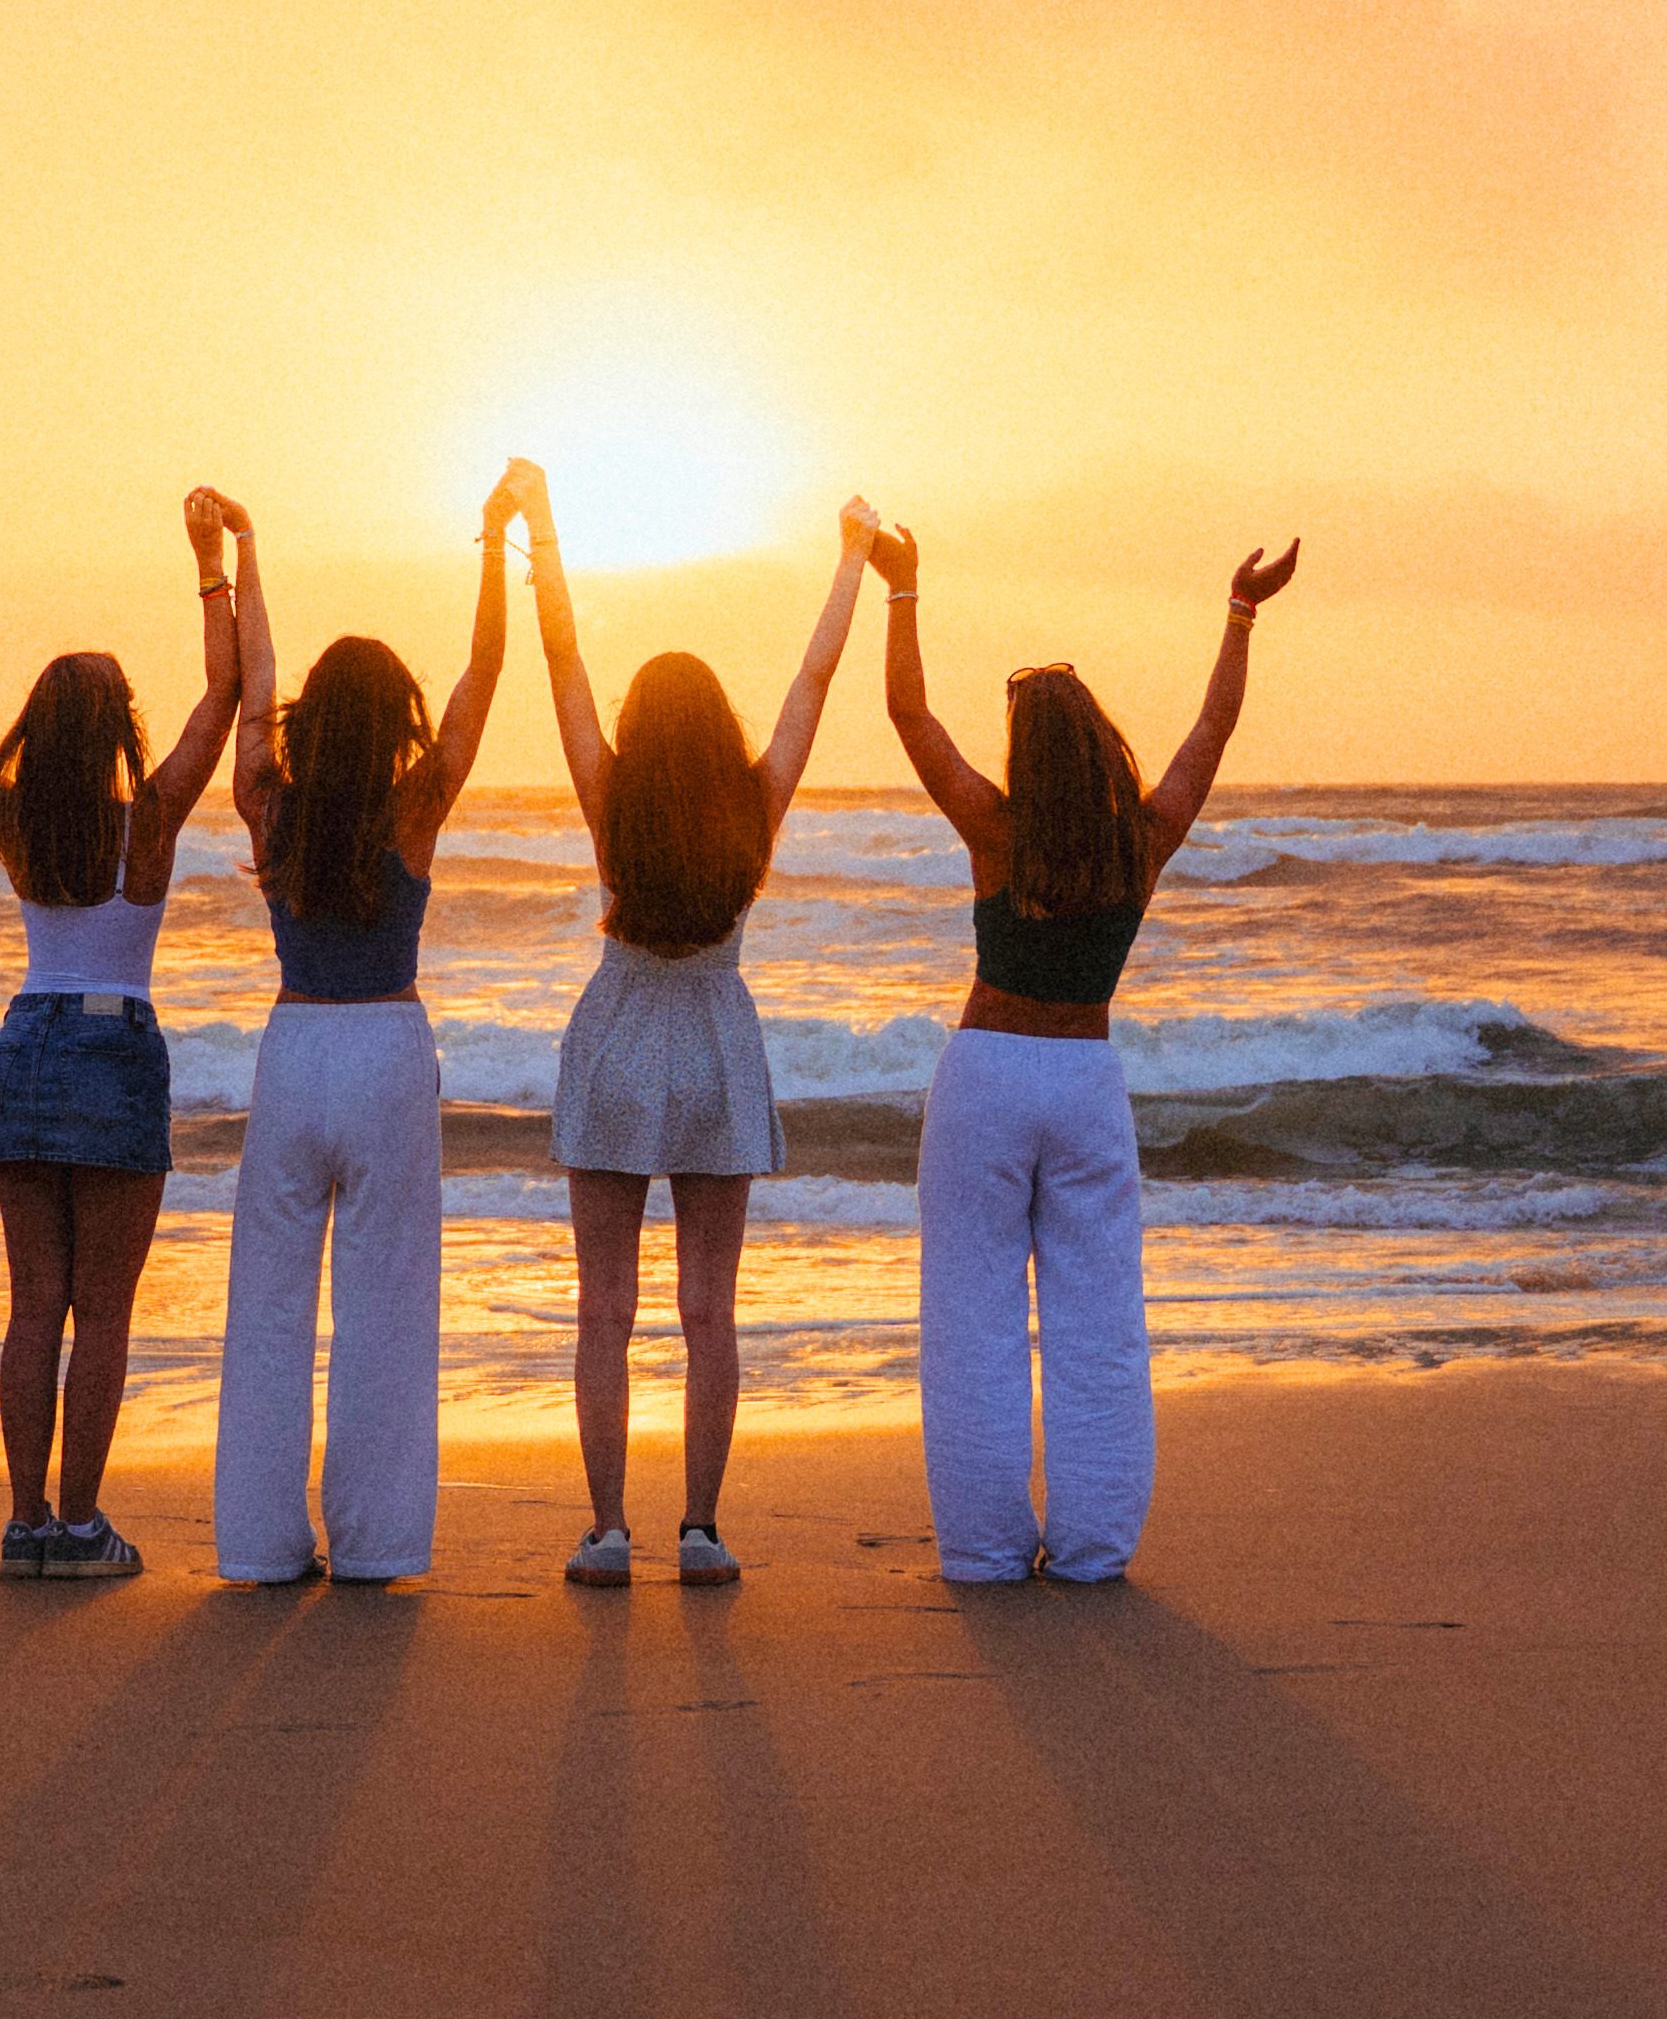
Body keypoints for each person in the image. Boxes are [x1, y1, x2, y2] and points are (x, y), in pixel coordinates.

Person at [869, 519, 1299, 1585]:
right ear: (1098, 744)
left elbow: (909, 714)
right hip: (1085, 1080)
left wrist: (905, 589)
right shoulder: (1141, 839)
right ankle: (1096, 1548)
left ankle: (981, 1550)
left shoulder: (993, 830)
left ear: (1024, 752)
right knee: (1098, 1322)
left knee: (970, 1316)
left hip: (985, 1076)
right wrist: (1241, 614)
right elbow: (1212, 729)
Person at [516, 479, 878, 1585]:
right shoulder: (751, 802)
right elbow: (814, 679)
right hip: (718, 1039)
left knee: (607, 1309)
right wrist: (853, 557)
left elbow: (565, 670)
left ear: (639, 727)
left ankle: (608, 1529)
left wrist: (547, 537)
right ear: (718, 729)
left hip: (621, 1035)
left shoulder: (611, 796)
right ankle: (704, 1529)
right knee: (709, 1309)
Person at [0, 498, 247, 1579]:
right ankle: (82, 1525)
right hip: (117, 1046)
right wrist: (208, 565)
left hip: (29, 1043)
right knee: (104, 1308)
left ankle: (27, 1520)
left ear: (42, 725)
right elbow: (223, 694)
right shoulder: (155, 818)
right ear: (122, 730)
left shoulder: (15, 818)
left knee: (34, 1298)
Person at [208, 478, 513, 1587]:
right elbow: (481, 683)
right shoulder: (414, 808)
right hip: (386, 1050)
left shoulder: (268, 800)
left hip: (293, 1051)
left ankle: (255, 1542)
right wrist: (497, 543)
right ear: (395, 722)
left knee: (269, 1308)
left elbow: (256, 686)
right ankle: (378, 1543)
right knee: (386, 1305)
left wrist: (241, 549)